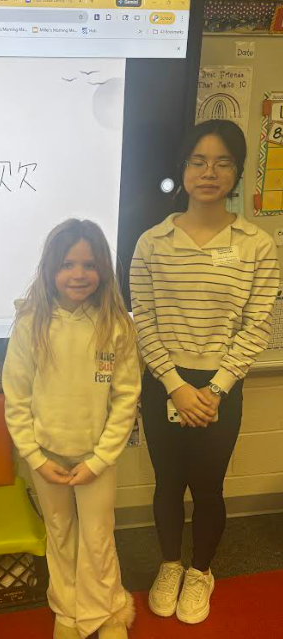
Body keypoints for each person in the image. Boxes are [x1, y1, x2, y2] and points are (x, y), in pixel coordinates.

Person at [130, 119, 280, 625]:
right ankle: (169, 564)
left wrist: (212, 389)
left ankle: (201, 571)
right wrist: (174, 386)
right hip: (163, 385)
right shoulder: (152, 241)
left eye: (222, 162)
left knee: (209, 485)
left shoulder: (257, 244)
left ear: (236, 172)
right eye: (198, 161)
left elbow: (257, 325)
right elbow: (142, 318)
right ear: (184, 168)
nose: (208, 172)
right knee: (167, 482)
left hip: (221, 388)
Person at [3, 219, 140, 639]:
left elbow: (125, 399)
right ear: (50, 269)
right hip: (47, 459)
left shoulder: (116, 324)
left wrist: (100, 459)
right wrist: (35, 457)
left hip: (95, 458)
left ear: (102, 269)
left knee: (98, 538)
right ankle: (68, 612)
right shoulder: (30, 324)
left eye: (88, 264)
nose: (78, 274)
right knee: (60, 534)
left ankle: (106, 613)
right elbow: (16, 397)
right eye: (67, 264)